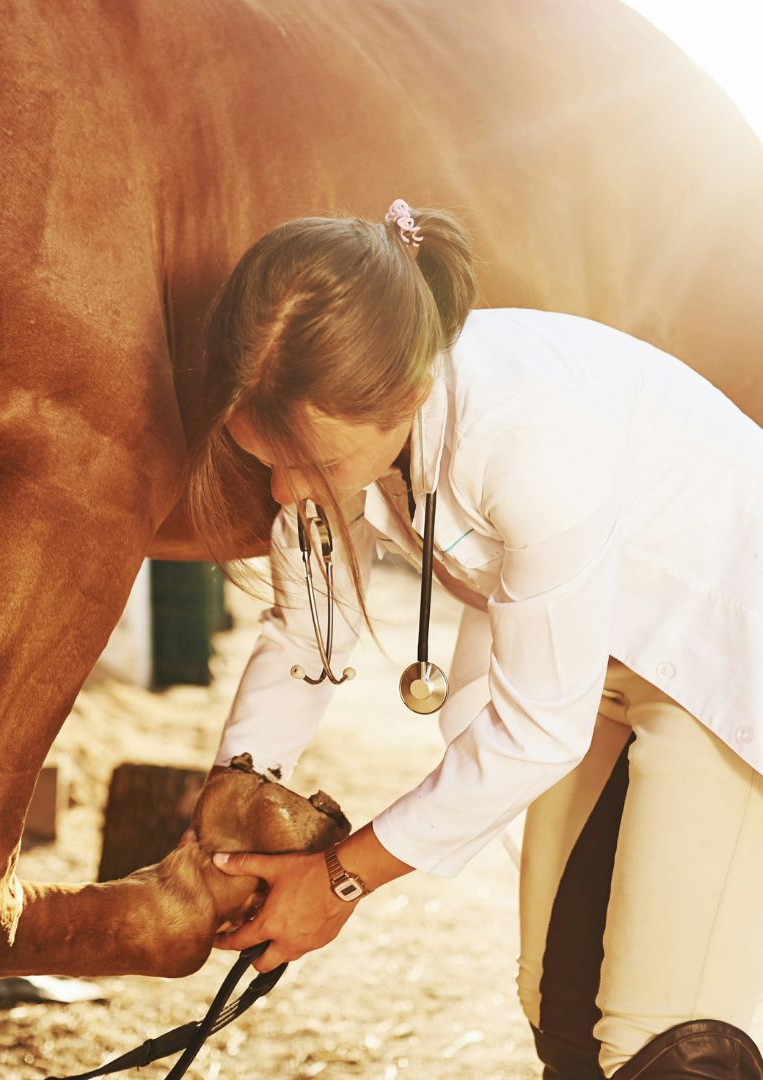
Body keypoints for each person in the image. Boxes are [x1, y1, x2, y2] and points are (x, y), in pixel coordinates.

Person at [185, 199, 763, 1079]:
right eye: (264, 456)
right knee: (555, 1003)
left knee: (662, 1041)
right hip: (607, 656)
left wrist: (340, 879)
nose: (286, 490)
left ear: (408, 395)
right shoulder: (327, 423)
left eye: (317, 464)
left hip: (728, 661)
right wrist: (233, 809)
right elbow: (312, 635)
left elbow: (538, 733)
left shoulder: (529, 437)